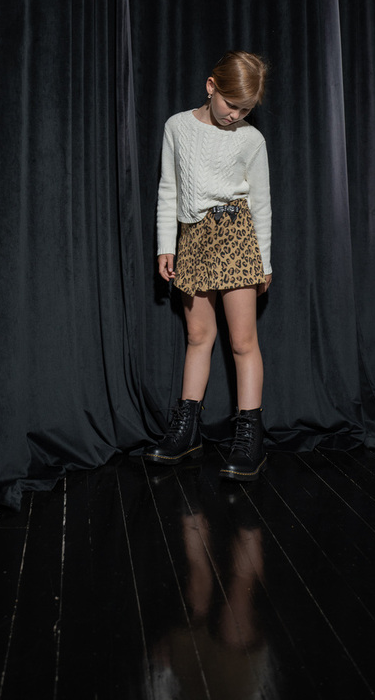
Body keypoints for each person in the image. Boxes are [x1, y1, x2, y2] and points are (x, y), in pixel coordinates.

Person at [146, 51, 272, 480]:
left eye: (245, 110)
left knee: (242, 341)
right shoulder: (177, 126)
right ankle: (187, 432)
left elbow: (261, 203)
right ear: (210, 86)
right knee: (198, 336)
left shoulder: (251, 139)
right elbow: (169, 189)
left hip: (237, 234)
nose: (235, 115)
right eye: (231, 104)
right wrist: (166, 246)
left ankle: (250, 438)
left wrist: (265, 261)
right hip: (194, 239)